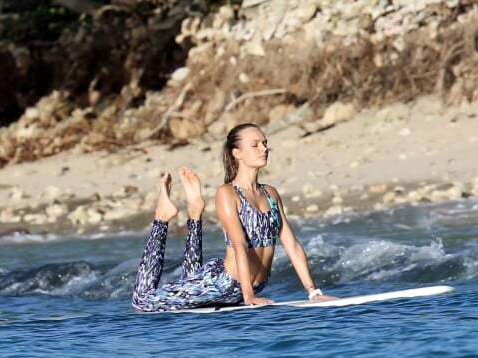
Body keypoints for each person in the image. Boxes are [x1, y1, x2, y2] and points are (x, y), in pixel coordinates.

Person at [132, 123, 333, 312]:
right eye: (255, 145)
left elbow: (292, 245)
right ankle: (162, 217)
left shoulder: (270, 194)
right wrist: (248, 295)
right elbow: (239, 246)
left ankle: (195, 212)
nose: (263, 149)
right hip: (223, 282)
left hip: (253, 284)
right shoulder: (228, 193)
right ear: (237, 153)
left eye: (265, 143)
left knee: (191, 283)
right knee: (141, 301)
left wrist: (313, 292)